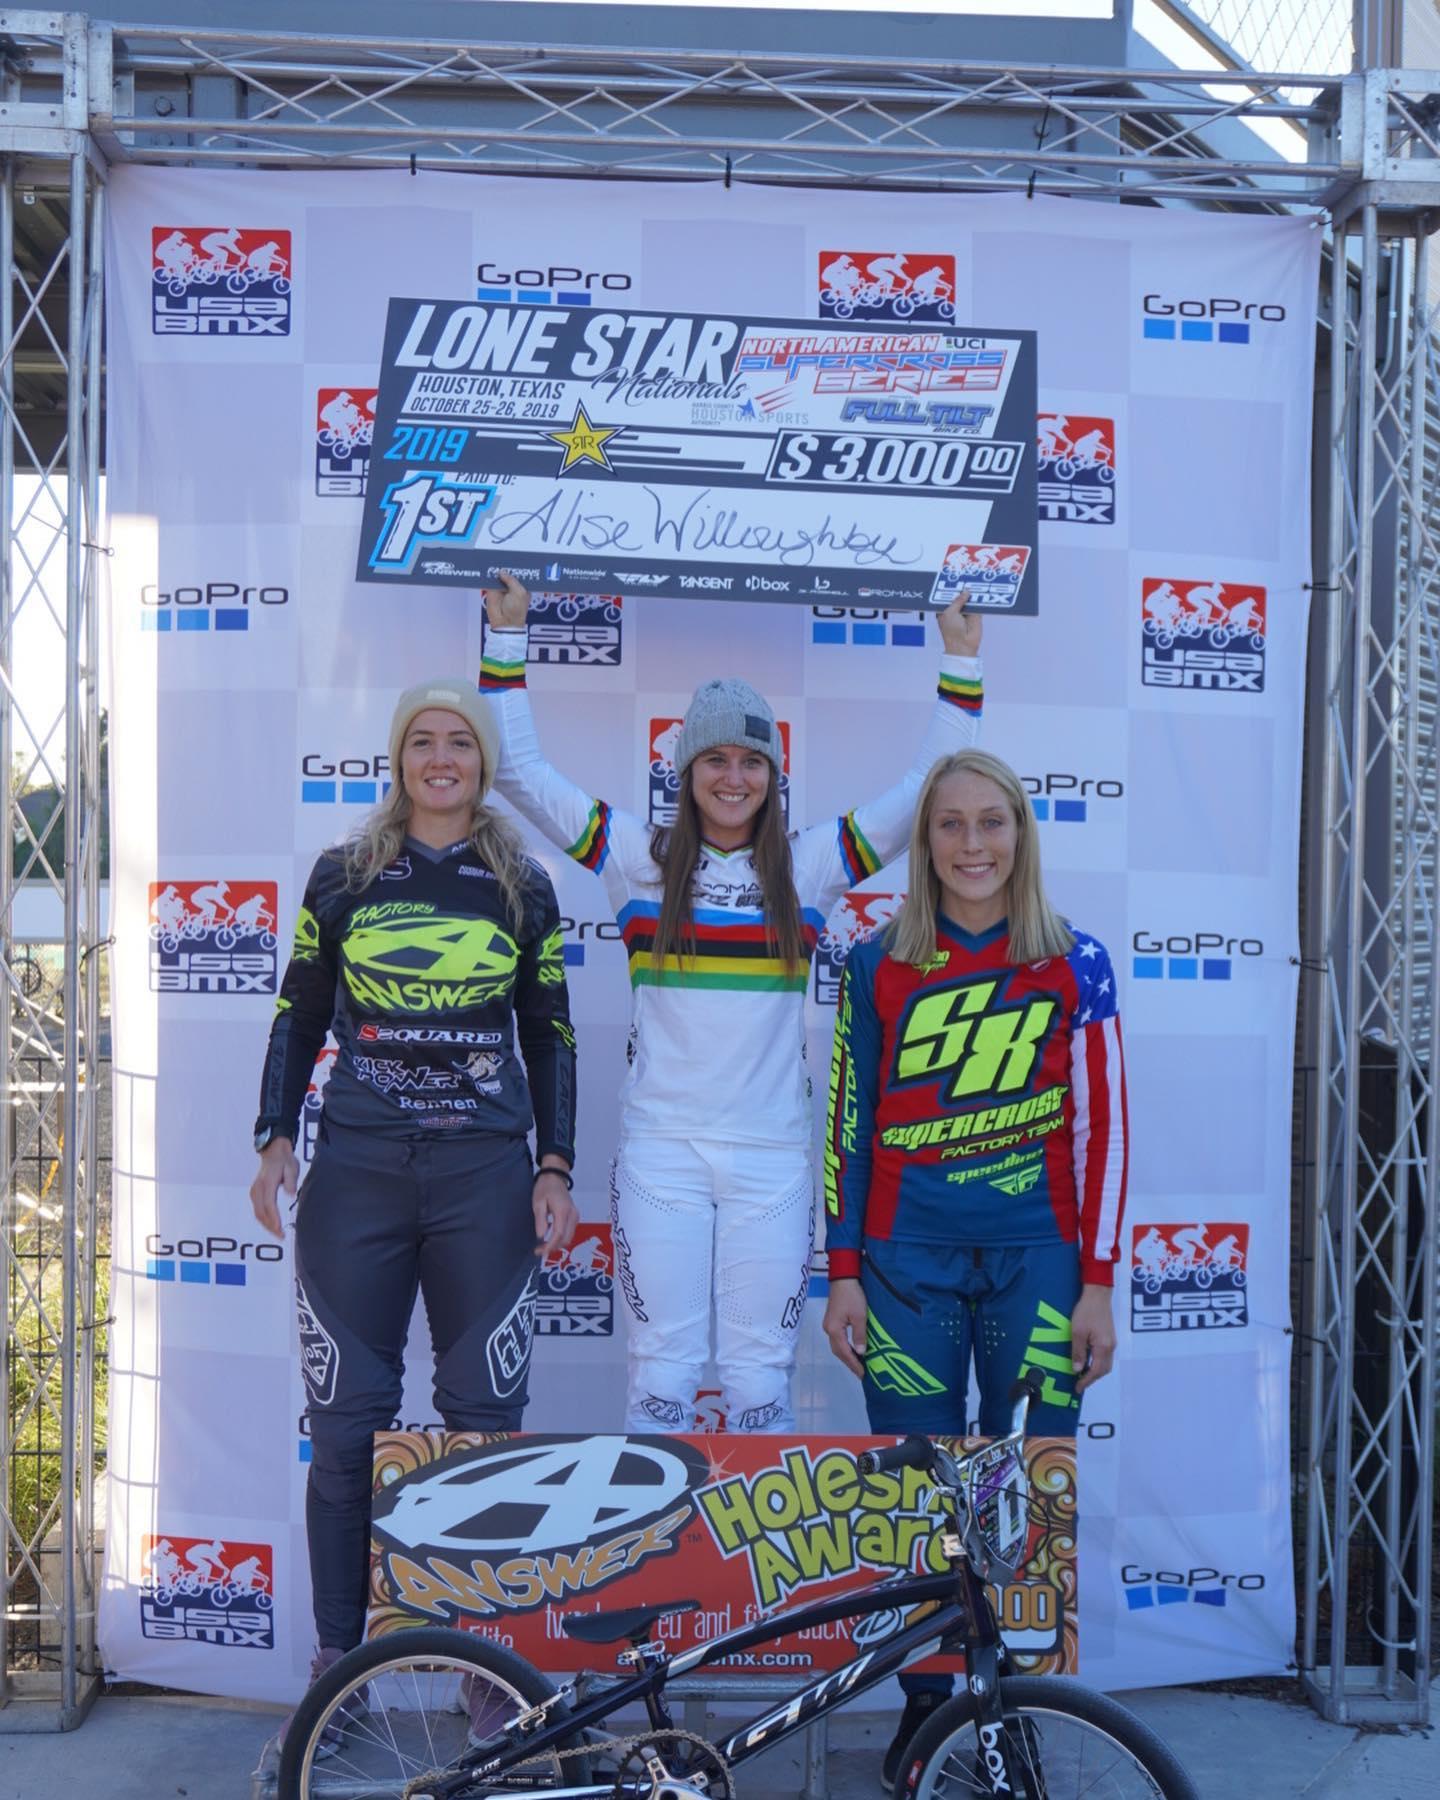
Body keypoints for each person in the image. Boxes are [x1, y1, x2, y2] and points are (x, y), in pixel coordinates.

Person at [480, 573, 982, 1436]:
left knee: (758, 1388)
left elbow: (925, 793)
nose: (734, 776)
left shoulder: (809, 866)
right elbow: (521, 773)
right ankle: (661, 1527)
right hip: (661, 1155)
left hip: (771, 1160)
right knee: (661, 1381)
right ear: (685, 772)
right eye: (715, 758)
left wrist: (961, 660)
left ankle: (754, 1533)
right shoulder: (635, 859)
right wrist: (507, 639)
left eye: (752, 761)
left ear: (773, 775)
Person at [249, 675, 578, 1741]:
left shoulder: (523, 883)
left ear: (483, 763)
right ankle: (338, 1673)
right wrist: (273, 1137)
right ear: (398, 760)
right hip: (358, 1176)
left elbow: (550, 1032)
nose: (441, 758)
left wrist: (556, 1165)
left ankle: (488, 1675)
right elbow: (298, 1011)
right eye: (422, 741)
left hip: (486, 1176)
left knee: (485, 1431)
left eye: (460, 742)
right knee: (345, 1427)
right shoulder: (342, 876)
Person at [822, 748, 1127, 1787]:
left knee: (1022, 1488)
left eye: (991, 822)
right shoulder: (876, 963)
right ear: (924, 842)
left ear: (1021, 835)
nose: (972, 844)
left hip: (1039, 1266)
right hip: (905, 1268)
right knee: (920, 1491)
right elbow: (850, 1125)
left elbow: (1105, 1132)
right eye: (949, 824)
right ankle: (928, 1714)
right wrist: (844, 1271)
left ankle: (1015, 1709)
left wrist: (1098, 1283)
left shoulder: (1077, 961)